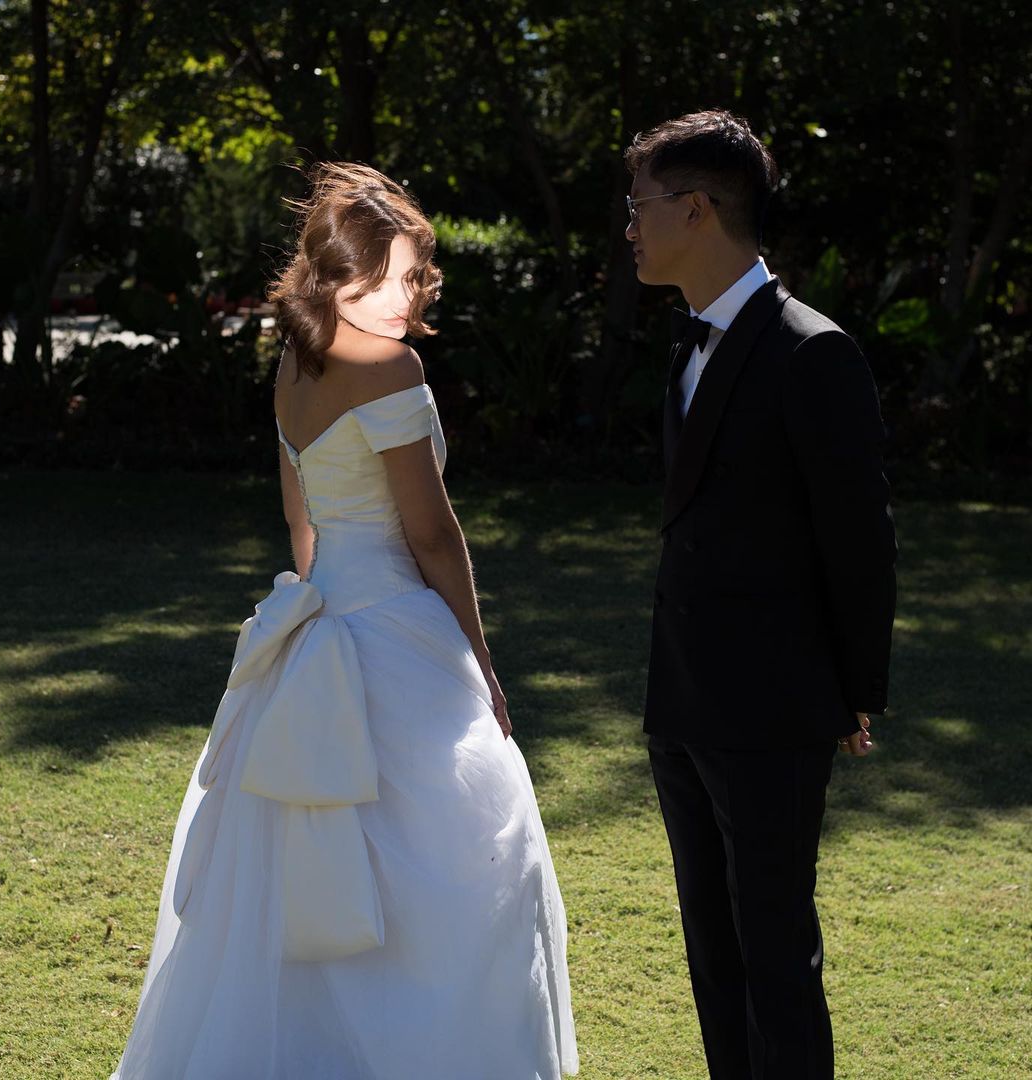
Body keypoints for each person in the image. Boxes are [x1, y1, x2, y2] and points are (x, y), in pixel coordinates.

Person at [109, 162, 577, 1080]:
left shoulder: (296, 364)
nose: (408, 296)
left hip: (320, 620)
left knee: (300, 874)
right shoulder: (389, 368)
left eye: (415, 276)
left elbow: (303, 526)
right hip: (397, 624)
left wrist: (309, 626)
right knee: (459, 864)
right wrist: (480, 658)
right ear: (336, 276)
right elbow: (433, 535)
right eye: (388, 277)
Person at [626, 110, 897, 1079]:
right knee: (714, 958)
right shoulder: (688, 342)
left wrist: (854, 692)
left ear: (697, 209)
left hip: (772, 708)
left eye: (641, 204)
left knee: (776, 959)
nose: (630, 225)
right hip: (682, 703)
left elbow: (858, 540)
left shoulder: (812, 351)